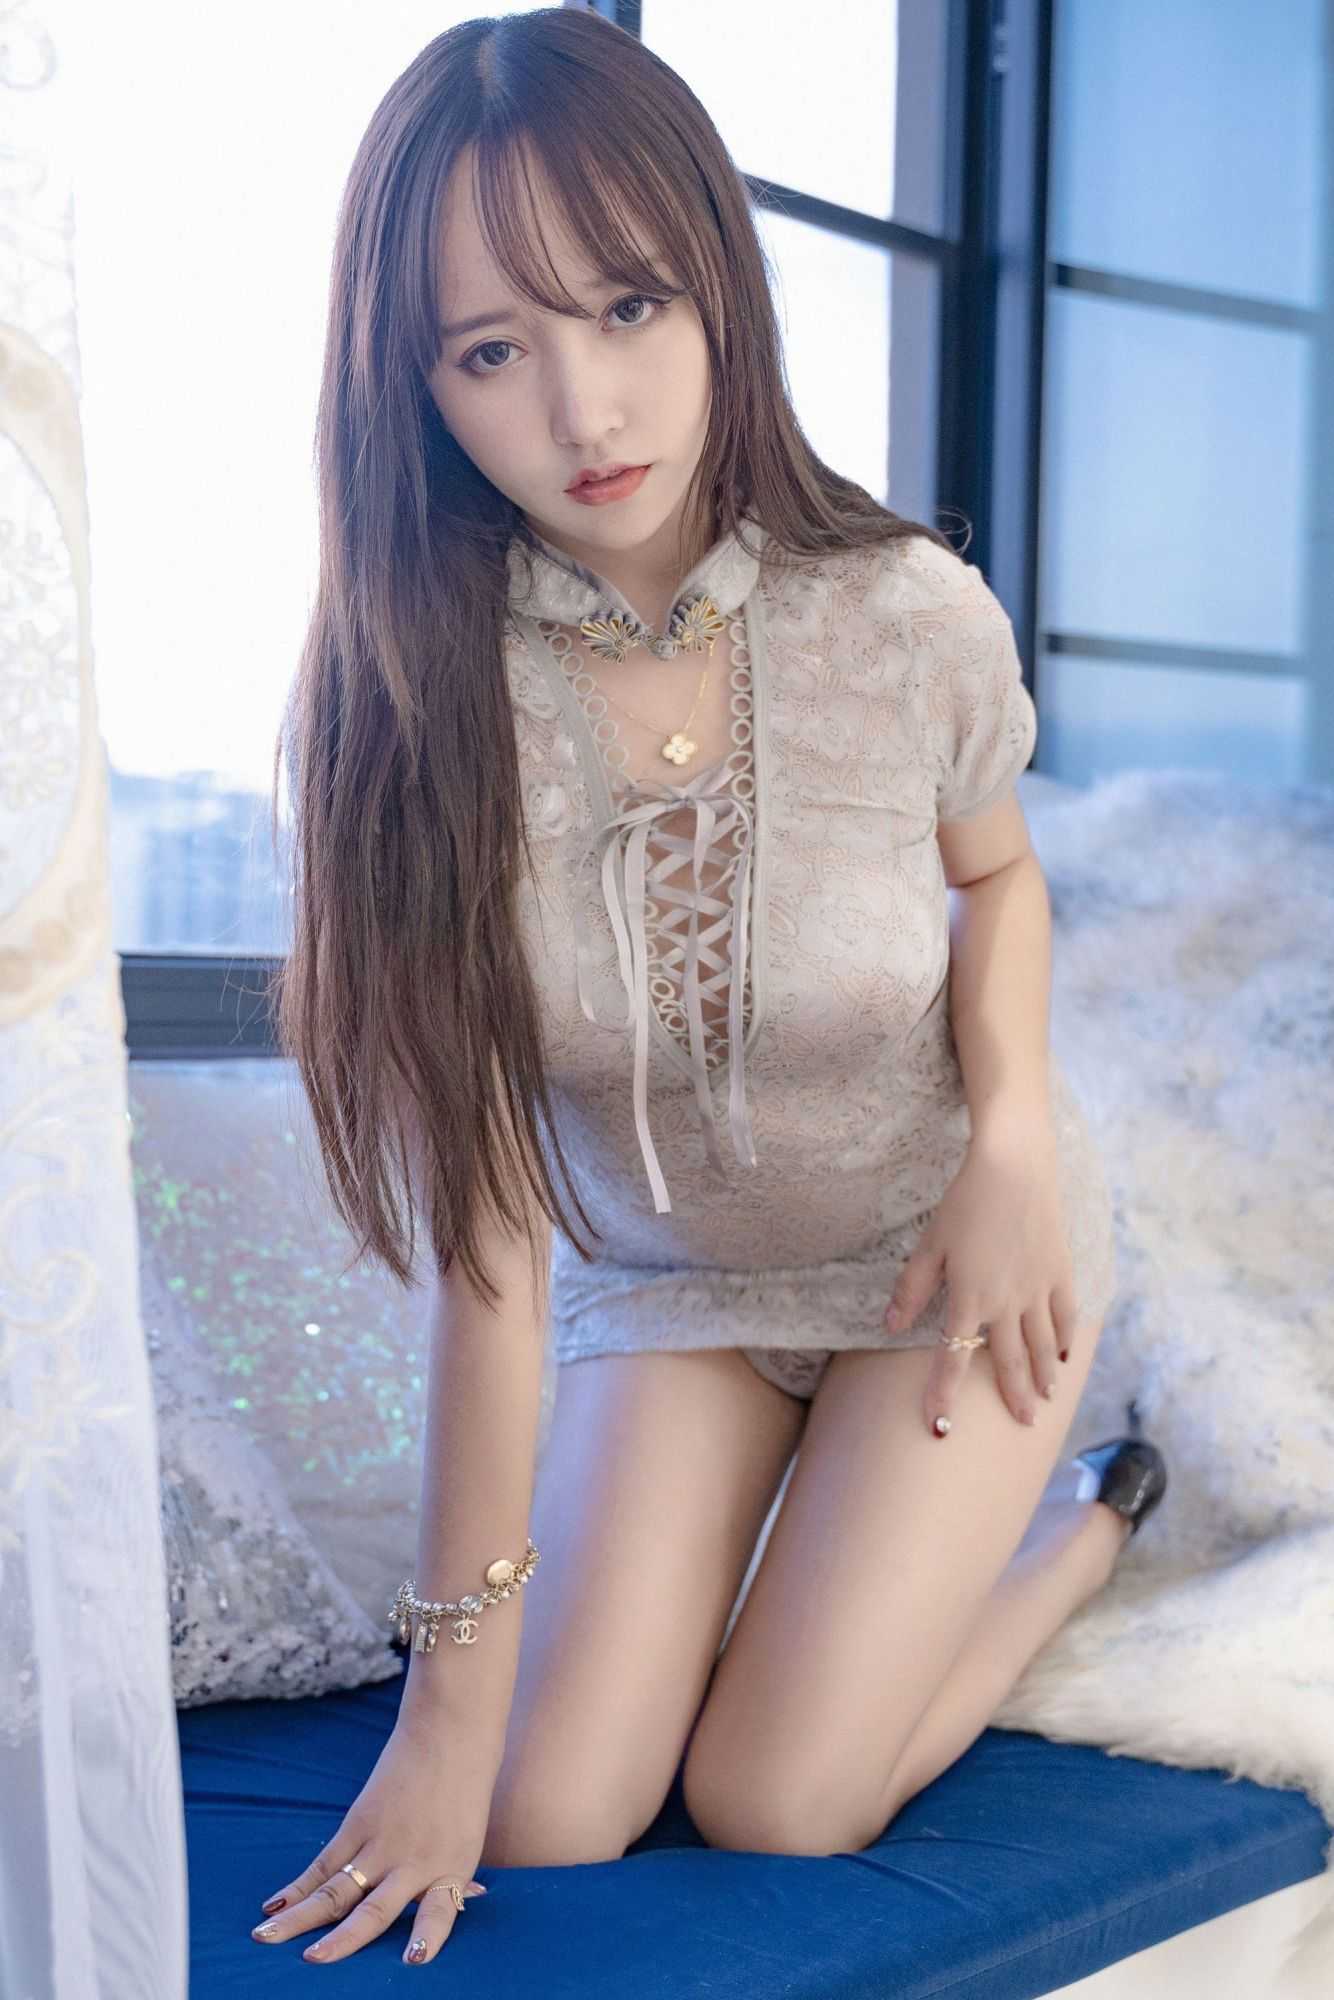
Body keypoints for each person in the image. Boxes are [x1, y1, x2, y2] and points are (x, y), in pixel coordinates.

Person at [253, 6, 1167, 1973]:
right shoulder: (410, 713)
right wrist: (443, 1714)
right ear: (410, 385)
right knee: (544, 1813)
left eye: (629, 305)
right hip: (669, 1289)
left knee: (778, 1797)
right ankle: (797, 1561)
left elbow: (996, 879)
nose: (586, 409)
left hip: (944, 1254)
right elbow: (491, 1252)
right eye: (491, 350)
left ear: (719, 289)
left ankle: (1084, 1523)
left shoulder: (902, 612)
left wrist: (1013, 1139)